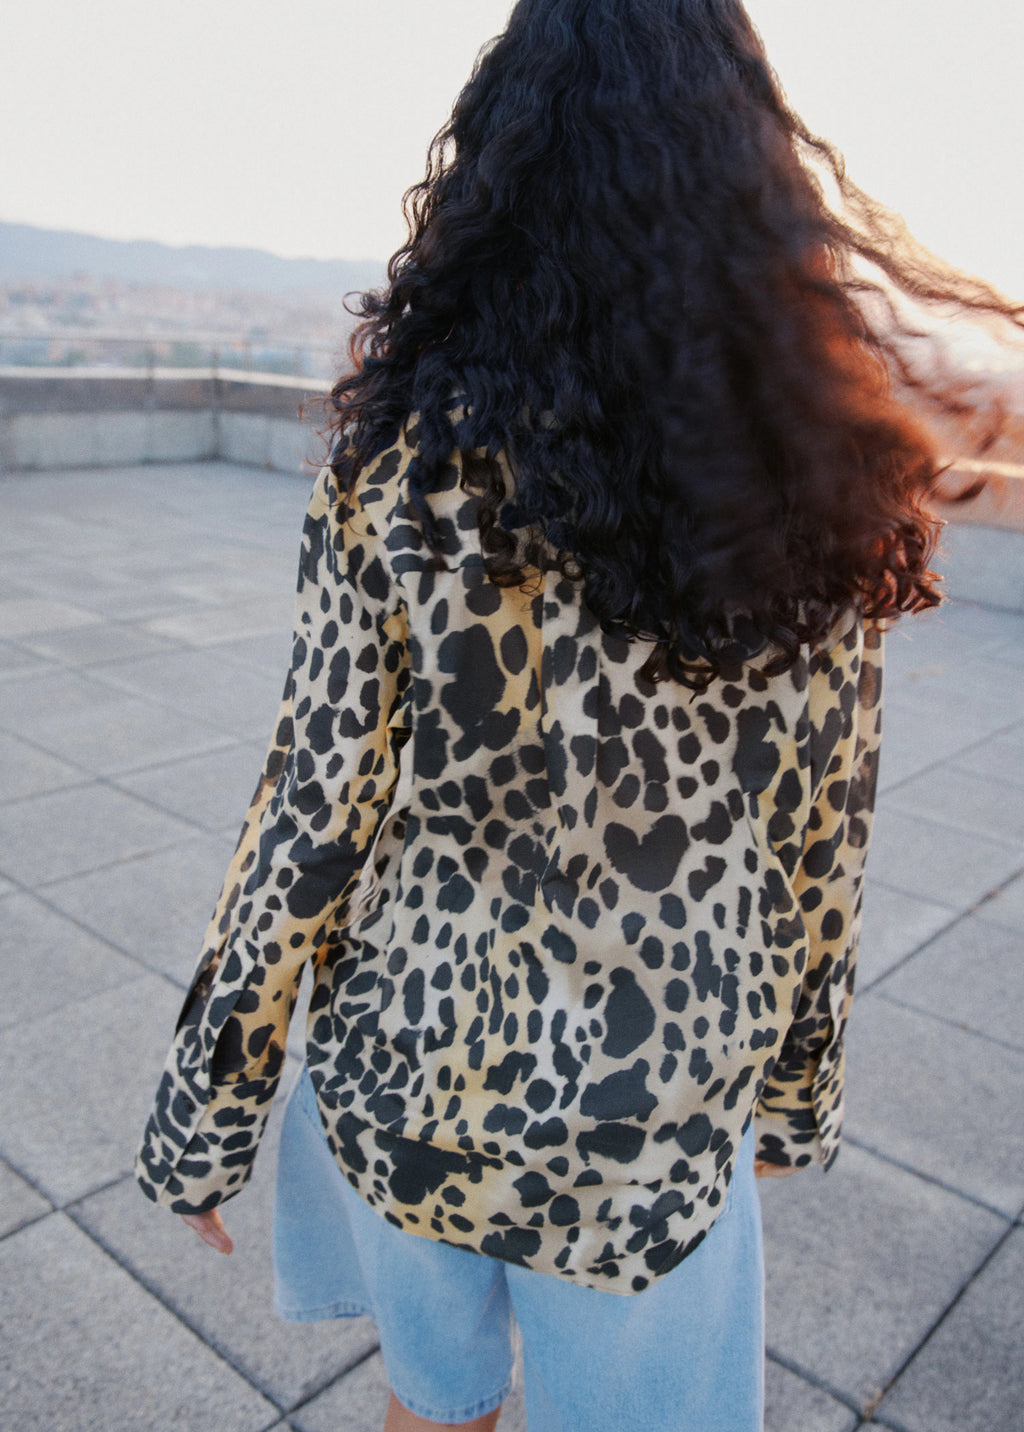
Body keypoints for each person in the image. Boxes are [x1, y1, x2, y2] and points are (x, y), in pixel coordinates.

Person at [135, 3, 1022, 1429]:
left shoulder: (404, 469)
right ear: (755, 180)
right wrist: (797, 1094)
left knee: (432, 1410)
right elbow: (822, 833)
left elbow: (310, 810)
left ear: (502, 170)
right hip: (652, 1120)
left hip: (413, 1069)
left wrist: (207, 1108)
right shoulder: (815, 482)